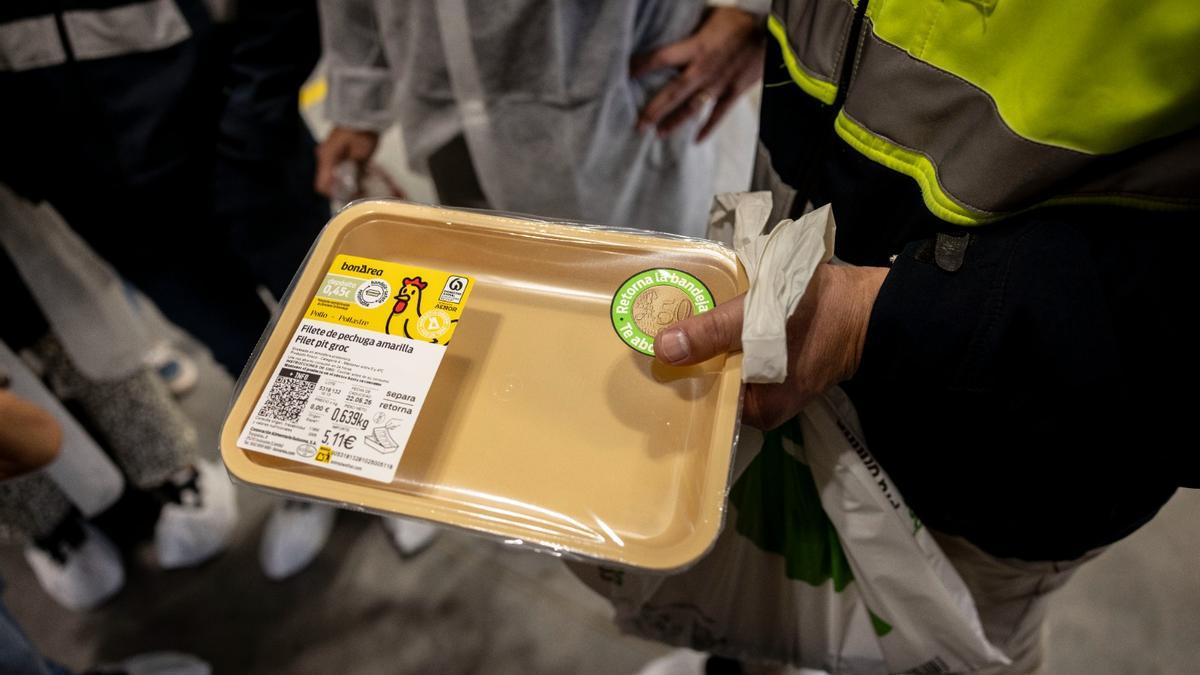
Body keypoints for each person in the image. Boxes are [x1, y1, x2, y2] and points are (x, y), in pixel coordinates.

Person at [644, 1, 1198, 672]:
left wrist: (883, 316)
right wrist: (756, 12)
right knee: (755, 605)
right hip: (786, 348)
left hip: (1003, 454)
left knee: (936, 644)